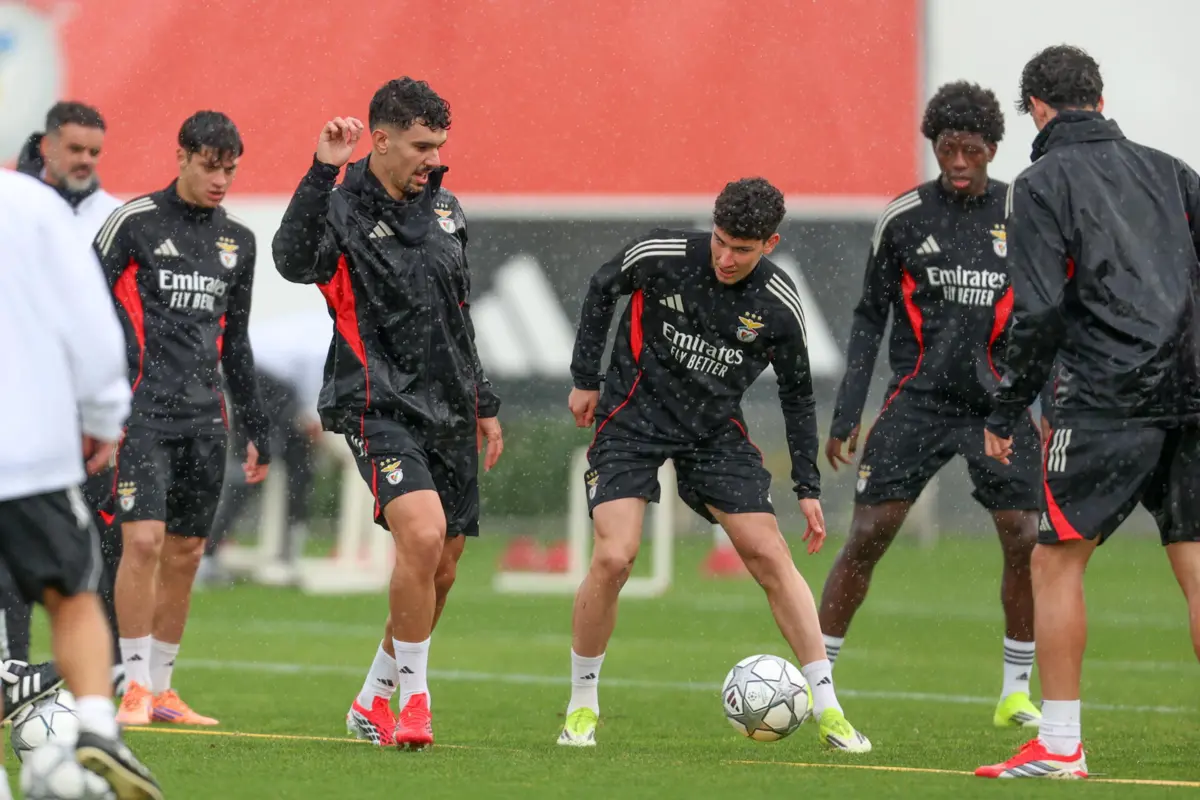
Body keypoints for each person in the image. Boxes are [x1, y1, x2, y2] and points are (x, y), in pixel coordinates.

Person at [560, 177, 870, 752]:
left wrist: (807, 484)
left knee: (769, 554)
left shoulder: (779, 305)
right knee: (614, 555)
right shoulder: (662, 256)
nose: (726, 258)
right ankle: (581, 706)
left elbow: (798, 396)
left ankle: (829, 710)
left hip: (712, 433)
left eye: (743, 249)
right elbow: (603, 288)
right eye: (721, 241)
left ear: (770, 244)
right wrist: (585, 378)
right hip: (632, 417)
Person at [977, 45, 1200, 780]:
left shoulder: (1039, 182)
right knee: (1197, 564)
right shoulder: (1173, 171)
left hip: (1106, 397)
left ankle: (1061, 744)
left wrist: (1009, 403)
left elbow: (1037, 312)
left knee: (1055, 562)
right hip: (1192, 391)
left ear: (1036, 109)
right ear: (1099, 99)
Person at [272, 77, 503, 751]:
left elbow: (460, 316)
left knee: (443, 565)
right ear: (380, 139)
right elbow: (292, 261)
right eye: (420, 145)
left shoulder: (448, 211)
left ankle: (373, 696)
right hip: (376, 401)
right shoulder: (340, 209)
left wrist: (484, 403)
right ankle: (417, 703)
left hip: (450, 406)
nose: (432, 158)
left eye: (439, 145)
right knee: (423, 537)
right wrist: (321, 168)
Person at [818, 82, 1043, 728]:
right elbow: (868, 317)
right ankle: (820, 678)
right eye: (948, 149)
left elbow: (1047, 314)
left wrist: (1049, 398)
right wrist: (847, 410)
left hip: (997, 408)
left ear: (992, 149)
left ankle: (1016, 692)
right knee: (867, 533)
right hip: (916, 401)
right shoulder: (904, 218)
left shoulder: (1023, 215)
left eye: (971, 150)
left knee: (1024, 538)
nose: (959, 163)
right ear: (934, 147)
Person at [97, 111, 272, 727]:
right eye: (209, 166)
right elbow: (85, 305)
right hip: (140, 414)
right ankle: (133, 686)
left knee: (188, 550)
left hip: (207, 420)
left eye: (230, 168)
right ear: (181, 156)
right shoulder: (133, 223)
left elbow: (238, 343)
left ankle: (164, 690)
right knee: (140, 541)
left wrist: (256, 425)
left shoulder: (239, 243)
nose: (221, 178)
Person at [0, 167, 161, 799]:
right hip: (25, 448)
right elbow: (92, 321)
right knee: (72, 594)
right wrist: (101, 416)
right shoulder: (32, 206)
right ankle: (97, 723)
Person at [12, 100, 127, 694]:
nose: (84, 160)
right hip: (33, 428)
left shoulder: (114, 217)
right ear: (47, 144)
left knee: (97, 550)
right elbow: (94, 328)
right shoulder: (29, 209)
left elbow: (114, 326)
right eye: (75, 148)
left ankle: (93, 686)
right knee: (60, 568)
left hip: (65, 422)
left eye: (94, 151)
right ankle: (76, 708)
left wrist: (107, 411)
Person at [203, 310, 331, 586]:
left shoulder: (326, 328)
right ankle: (208, 554)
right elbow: (310, 369)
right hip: (258, 371)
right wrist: (311, 418)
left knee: (295, 463)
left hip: (254, 367)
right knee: (254, 460)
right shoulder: (330, 338)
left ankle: (286, 554)